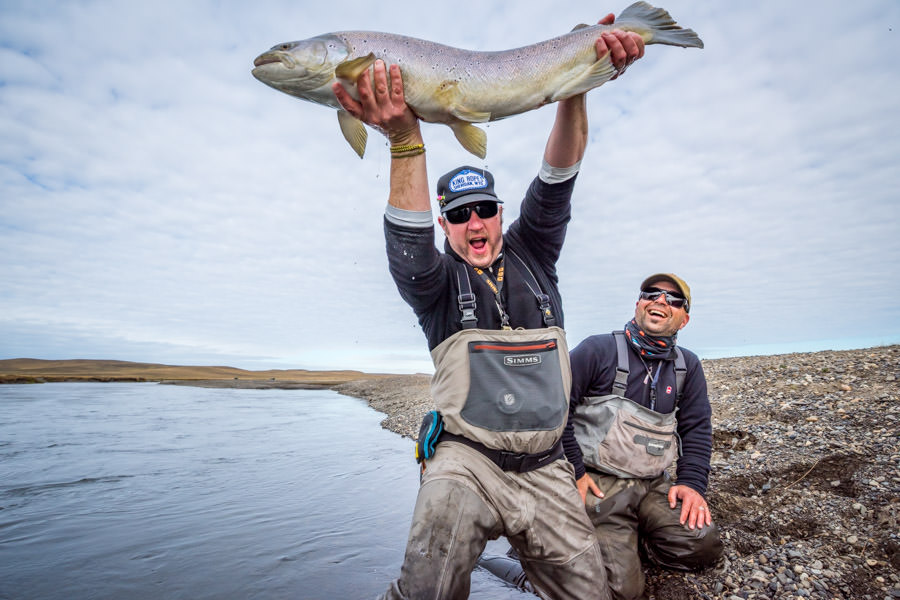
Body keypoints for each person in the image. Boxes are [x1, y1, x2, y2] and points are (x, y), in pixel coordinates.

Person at [331, 15, 645, 600]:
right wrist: (405, 142)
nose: (474, 223)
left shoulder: (536, 252)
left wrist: (579, 78)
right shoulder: (434, 283)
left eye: (485, 209)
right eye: (458, 214)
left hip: (549, 467)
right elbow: (406, 234)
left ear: (500, 212)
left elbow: (560, 171)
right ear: (446, 223)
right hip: (465, 464)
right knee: (427, 583)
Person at [480, 274, 723, 599]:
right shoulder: (598, 350)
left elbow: (696, 428)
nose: (660, 301)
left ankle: (624, 543)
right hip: (597, 486)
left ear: (684, 318)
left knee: (702, 545)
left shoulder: (686, 366)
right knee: (618, 591)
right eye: (651, 294)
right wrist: (576, 474)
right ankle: (528, 572)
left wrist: (692, 484)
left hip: (652, 483)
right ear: (639, 303)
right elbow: (553, 411)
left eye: (673, 299)